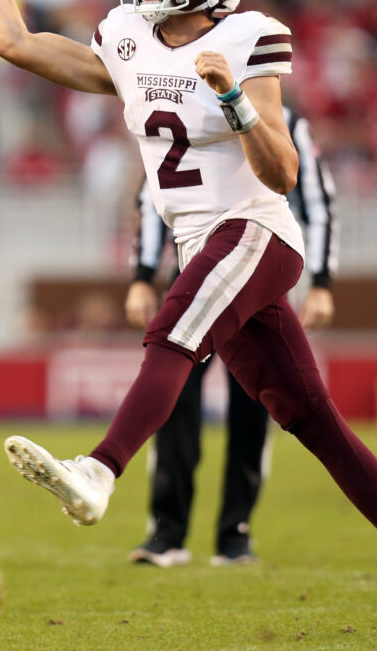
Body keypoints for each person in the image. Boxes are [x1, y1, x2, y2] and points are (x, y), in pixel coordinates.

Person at [0, 0, 377, 635]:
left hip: (256, 232)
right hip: (202, 243)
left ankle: (98, 472)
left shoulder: (248, 37)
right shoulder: (127, 38)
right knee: (310, 418)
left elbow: (283, 170)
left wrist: (231, 98)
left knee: (171, 333)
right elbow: (13, 43)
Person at [124, 107, 338, 568]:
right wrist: (142, 273)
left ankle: (235, 533)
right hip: (195, 270)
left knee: (254, 406)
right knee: (174, 398)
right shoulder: (183, 101)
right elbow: (151, 194)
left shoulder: (289, 120)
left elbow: (319, 202)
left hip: (255, 273)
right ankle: (167, 531)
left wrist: (322, 281)